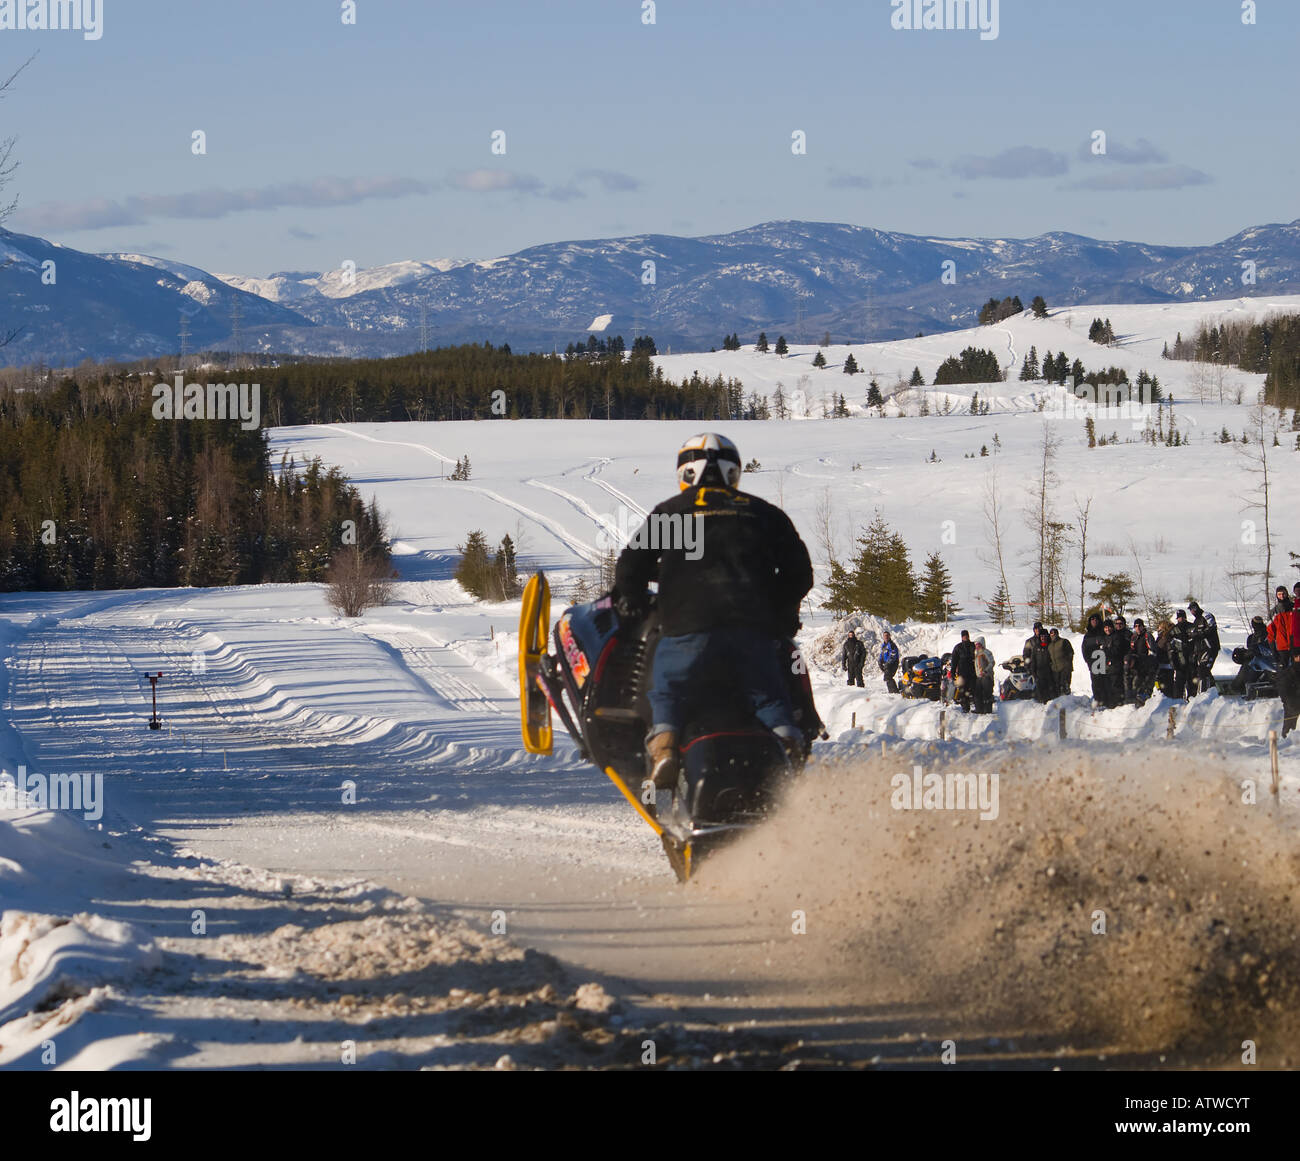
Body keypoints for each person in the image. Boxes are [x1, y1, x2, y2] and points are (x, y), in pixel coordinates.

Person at [614, 433, 813, 790]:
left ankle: (665, 749)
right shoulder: (764, 513)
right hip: (753, 631)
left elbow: (629, 568)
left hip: (687, 627)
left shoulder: (672, 513)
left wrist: (636, 602)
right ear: (734, 473)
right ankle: (789, 747)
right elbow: (800, 574)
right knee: (768, 695)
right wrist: (780, 611)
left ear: (685, 473)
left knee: (667, 689)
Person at [1187, 601, 1220, 697]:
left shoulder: (1206, 615)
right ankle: (1214, 690)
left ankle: (1205, 693)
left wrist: (1200, 634)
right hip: (1201, 649)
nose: (1192, 612)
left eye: (1193, 609)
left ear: (1196, 608)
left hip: (1210, 647)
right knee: (1201, 670)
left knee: (1203, 669)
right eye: (1190, 610)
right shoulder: (1196, 621)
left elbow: (1212, 627)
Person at [1082, 612, 1107, 705]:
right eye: (1092, 619)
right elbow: (1084, 649)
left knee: (1105, 682)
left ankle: (1105, 700)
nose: (1094, 621)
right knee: (1096, 683)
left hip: (1104, 661)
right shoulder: (1088, 635)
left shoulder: (1104, 631)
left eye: (1096, 619)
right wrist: (1088, 661)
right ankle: (1097, 699)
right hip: (1093, 662)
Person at [1169, 609, 1194, 699]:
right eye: (1179, 617)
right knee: (1179, 684)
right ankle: (1178, 702)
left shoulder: (1191, 626)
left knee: (1192, 683)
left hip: (1191, 659)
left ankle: (1192, 700)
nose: (1181, 619)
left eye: (1182, 617)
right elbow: (1171, 647)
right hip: (1179, 660)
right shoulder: (1174, 630)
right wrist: (1173, 661)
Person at [951, 630, 977, 712]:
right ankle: (965, 707)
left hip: (973, 672)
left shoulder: (973, 645)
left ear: (968, 636)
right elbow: (954, 661)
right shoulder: (958, 647)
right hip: (962, 672)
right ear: (961, 637)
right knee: (962, 690)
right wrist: (953, 671)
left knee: (974, 689)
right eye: (963, 636)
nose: (965, 637)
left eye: (966, 636)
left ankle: (978, 707)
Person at [1268, 587, 1293, 670]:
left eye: (1283, 593)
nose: (1281, 596)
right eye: (1279, 594)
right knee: (1283, 673)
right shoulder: (1274, 612)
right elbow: (1270, 633)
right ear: (1276, 595)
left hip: (1296, 646)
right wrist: (1273, 650)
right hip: (1282, 647)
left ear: (1287, 594)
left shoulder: (1294, 608)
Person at [1030, 626, 1055, 703]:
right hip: (1039, 673)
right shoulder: (1036, 647)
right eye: (1041, 636)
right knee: (1040, 692)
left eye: (1044, 636)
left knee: (1050, 692)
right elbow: (1033, 660)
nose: (1043, 638)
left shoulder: (1050, 646)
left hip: (1049, 673)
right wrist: (1033, 673)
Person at [973, 636, 996, 714]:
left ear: (982, 644)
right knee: (977, 693)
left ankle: (988, 710)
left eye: (978, 644)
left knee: (987, 693)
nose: (977, 646)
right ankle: (979, 709)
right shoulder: (976, 654)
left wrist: (986, 671)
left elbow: (992, 662)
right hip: (979, 677)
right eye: (975, 644)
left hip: (986, 677)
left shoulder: (986, 652)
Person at [1048, 627, 1073, 695]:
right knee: (1057, 688)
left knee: (1065, 687)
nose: (1053, 635)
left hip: (1064, 668)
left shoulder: (1064, 641)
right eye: (1051, 633)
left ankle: (1068, 702)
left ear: (1057, 634)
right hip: (1055, 670)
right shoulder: (1049, 645)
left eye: (1054, 633)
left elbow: (1070, 653)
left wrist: (1068, 666)